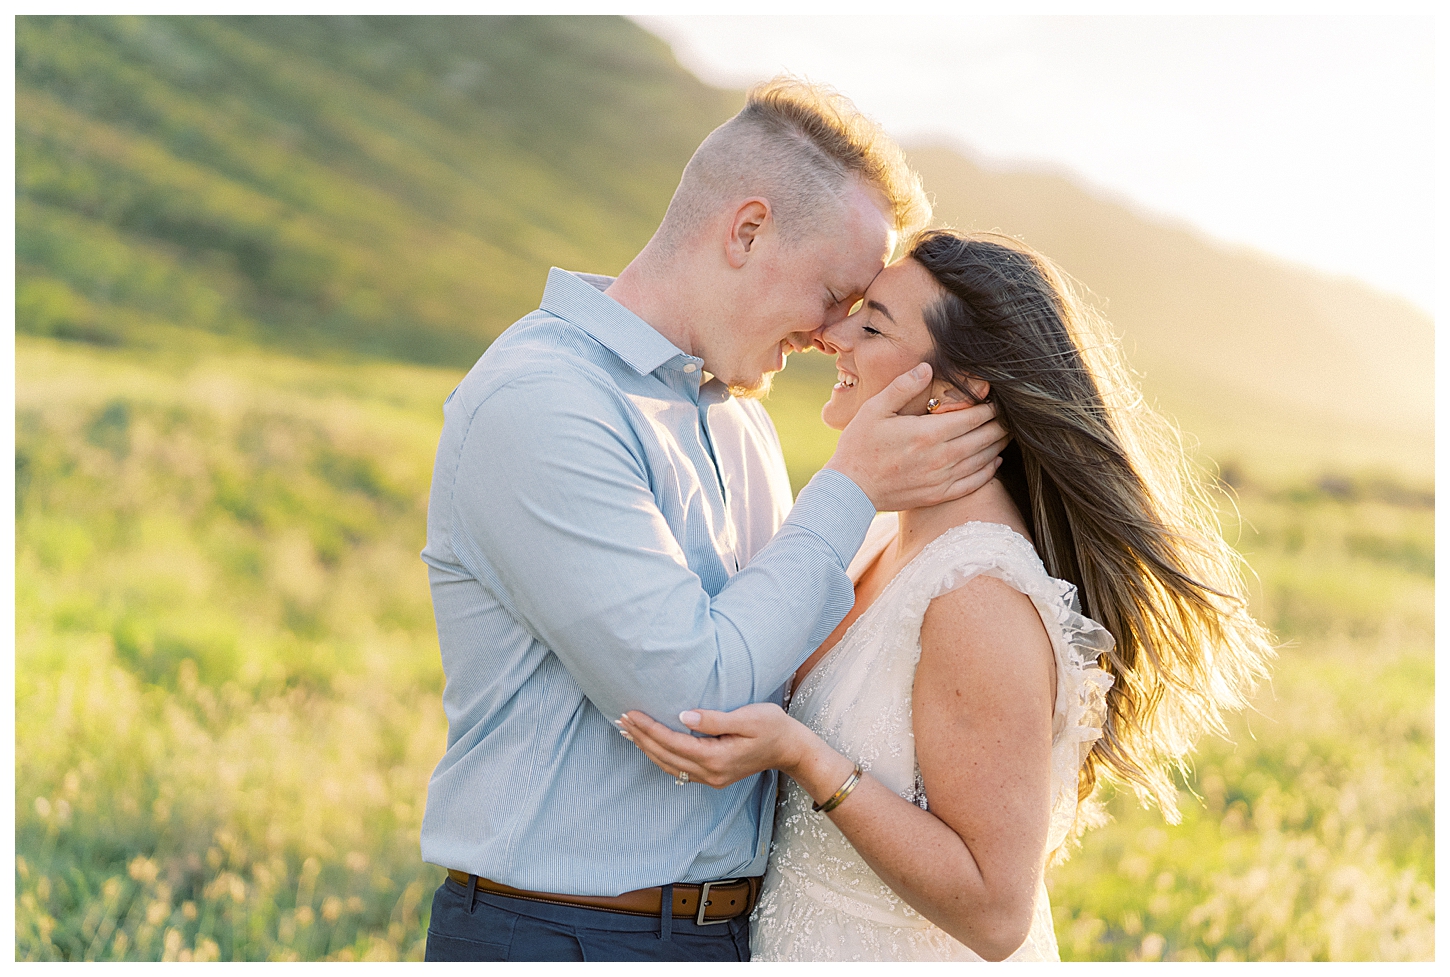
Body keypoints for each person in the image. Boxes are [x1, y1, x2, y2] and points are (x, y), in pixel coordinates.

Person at [418, 80, 1010, 962]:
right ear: (747, 230)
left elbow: (777, 666)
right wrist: (848, 492)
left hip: (734, 936)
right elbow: (697, 705)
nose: (830, 336)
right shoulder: (542, 403)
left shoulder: (742, 425)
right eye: (834, 291)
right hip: (563, 934)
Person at [620, 229, 1277, 961]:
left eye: (872, 326)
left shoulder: (977, 592)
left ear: (958, 389)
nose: (833, 335)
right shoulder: (874, 533)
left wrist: (806, 757)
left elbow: (997, 912)